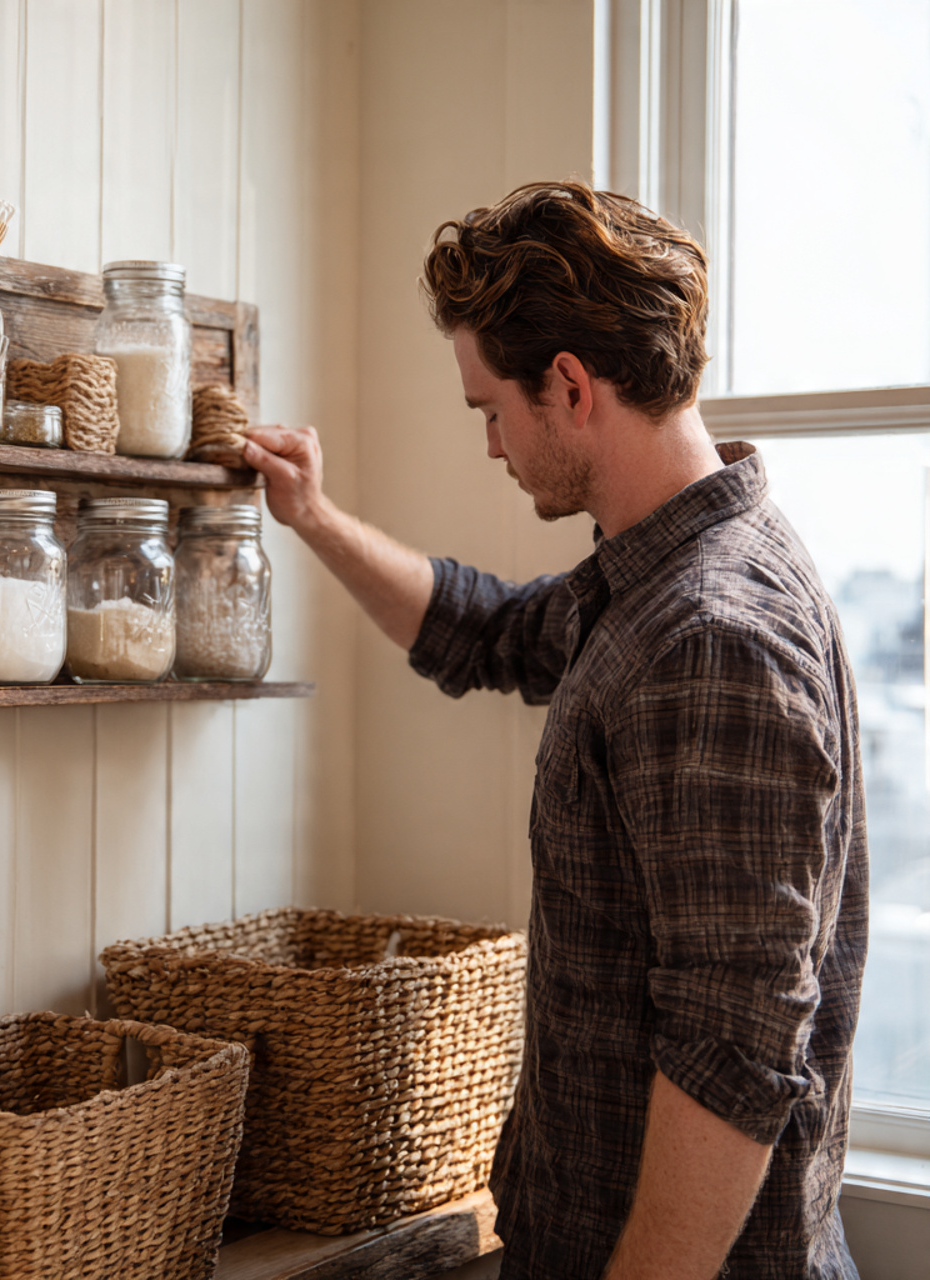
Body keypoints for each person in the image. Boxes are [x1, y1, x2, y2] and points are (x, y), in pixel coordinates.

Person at [242, 182, 866, 1280]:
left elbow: (731, 1051)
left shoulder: (710, 636)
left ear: (570, 387)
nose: (489, 443)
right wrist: (313, 517)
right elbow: (483, 630)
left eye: (490, 408)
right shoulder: (651, 578)